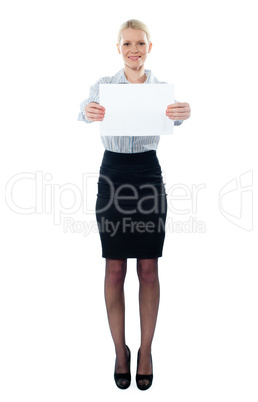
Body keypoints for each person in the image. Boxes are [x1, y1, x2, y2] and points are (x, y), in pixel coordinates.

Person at [78, 19, 191, 391]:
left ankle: (145, 351)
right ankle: (119, 351)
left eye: (140, 43)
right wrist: (89, 110)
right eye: (127, 44)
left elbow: (176, 117)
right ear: (118, 48)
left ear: (149, 47)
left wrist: (183, 113)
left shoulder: (161, 90)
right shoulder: (104, 87)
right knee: (114, 269)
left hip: (147, 177)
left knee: (148, 269)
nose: (134, 50)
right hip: (112, 176)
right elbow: (84, 109)